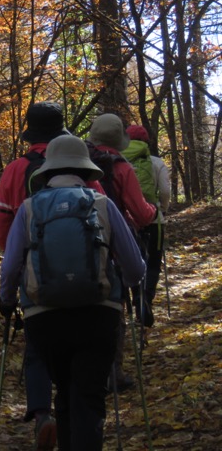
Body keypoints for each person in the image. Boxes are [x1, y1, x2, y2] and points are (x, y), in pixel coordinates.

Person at [0, 134, 145, 451]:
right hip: (99, 311)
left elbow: (10, 268)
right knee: (89, 397)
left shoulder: (28, 209)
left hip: (44, 317)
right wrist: (130, 286)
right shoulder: (102, 205)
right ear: (86, 171)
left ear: (48, 172)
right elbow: (134, 266)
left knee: (64, 392)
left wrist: (7, 301)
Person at [0, 102, 102, 450]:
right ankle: (76, 419)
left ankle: (42, 414)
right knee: (81, 355)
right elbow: (102, 222)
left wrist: (19, 259)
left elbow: (1, 223)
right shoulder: (87, 178)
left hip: (33, 276)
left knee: (37, 349)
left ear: (30, 132)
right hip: (88, 282)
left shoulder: (15, 170)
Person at [85, 113, 157, 391]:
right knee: (114, 308)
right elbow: (140, 212)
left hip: (81, 243)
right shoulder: (121, 167)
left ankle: (85, 367)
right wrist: (152, 213)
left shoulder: (81, 161)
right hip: (112, 245)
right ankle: (112, 371)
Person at [122, 125, 171, 327]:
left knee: (134, 261)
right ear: (147, 142)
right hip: (154, 219)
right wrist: (163, 208)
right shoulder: (156, 162)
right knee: (153, 261)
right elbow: (165, 191)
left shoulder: (118, 162)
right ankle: (146, 300)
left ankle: (136, 296)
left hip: (128, 220)